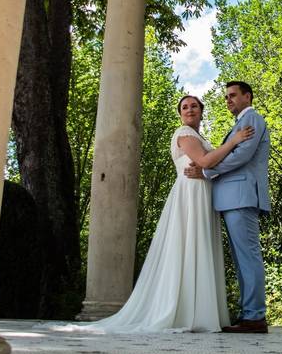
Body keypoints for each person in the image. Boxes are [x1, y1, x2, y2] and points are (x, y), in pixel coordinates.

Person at [48, 94, 254, 333]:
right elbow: (206, 161)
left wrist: (213, 168)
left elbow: (210, 168)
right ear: (179, 114)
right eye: (184, 107)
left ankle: (201, 310)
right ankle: (183, 312)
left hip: (203, 194)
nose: (189, 109)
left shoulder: (199, 136)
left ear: (201, 111)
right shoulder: (184, 134)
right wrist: (233, 141)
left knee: (200, 247)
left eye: (194, 106)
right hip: (190, 195)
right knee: (187, 246)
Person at [184, 80, 270, 334]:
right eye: (226, 97)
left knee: (248, 257)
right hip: (233, 198)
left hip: (241, 196)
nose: (228, 100)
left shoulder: (251, 120)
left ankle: (255, 317)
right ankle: (249, 315)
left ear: (248, 97)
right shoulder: (240, 124)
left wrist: (207, 171)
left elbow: (241, 156)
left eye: (233, 95)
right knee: (243, 258)